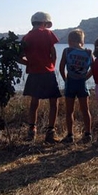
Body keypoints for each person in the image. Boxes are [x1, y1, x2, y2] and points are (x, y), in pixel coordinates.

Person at [18, 11, 61, 143]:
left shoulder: (26, 37)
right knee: (53, 102)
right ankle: (50, 131)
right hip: (48, 72)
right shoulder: (48, 33)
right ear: (44, 22)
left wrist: (30, 63)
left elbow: (18, 57)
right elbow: (53, 53)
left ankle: (32, 130)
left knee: (34, 103)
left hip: (34, 73)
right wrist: (51, 65)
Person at [59, 29, 94, 144]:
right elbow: (94, 68)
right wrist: (85, 77)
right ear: (82, 41)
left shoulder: (67, 51)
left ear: (69, 41)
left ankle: (70, 135)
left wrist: (65, 80)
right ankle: (88, 134)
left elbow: (61, 67)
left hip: (71, 83)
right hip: (82, 84)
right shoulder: (88, 52)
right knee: (85, 110)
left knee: (69, 111)